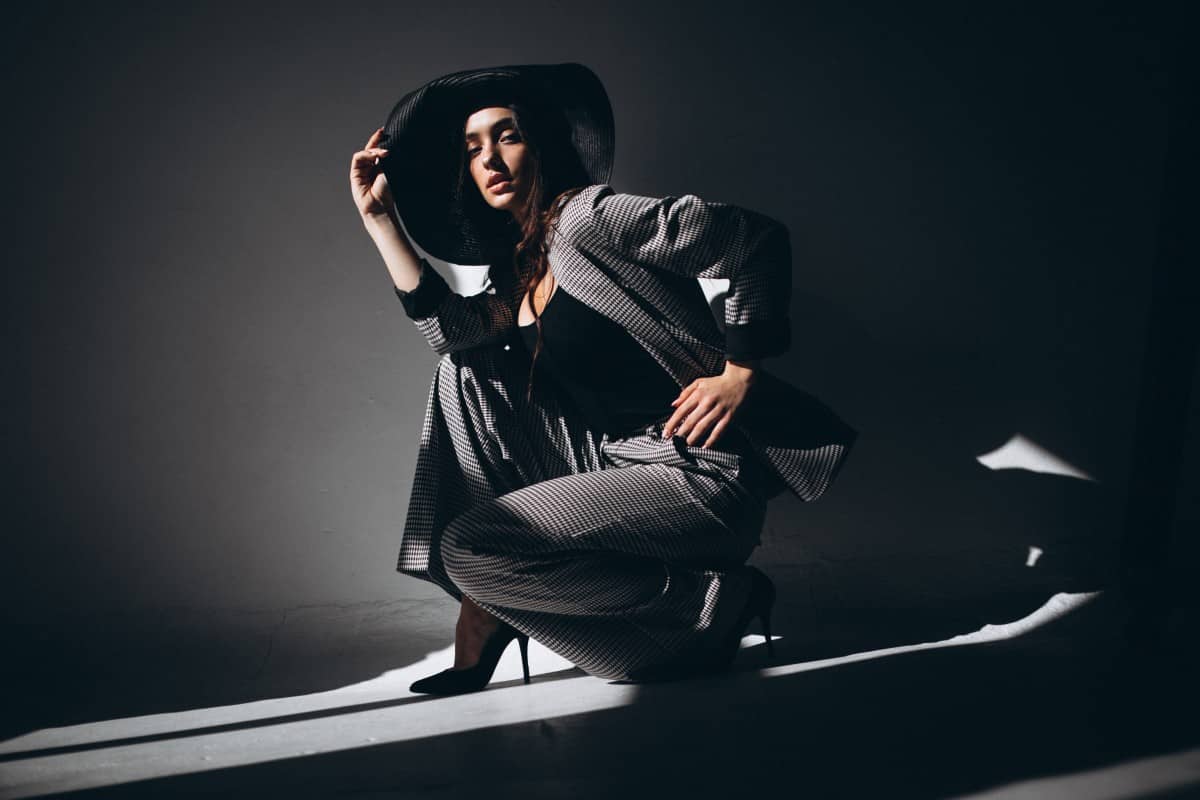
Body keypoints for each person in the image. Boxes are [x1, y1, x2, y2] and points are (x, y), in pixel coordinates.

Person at [349, 63, 857, 693]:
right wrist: (380, 221)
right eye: (473, 149)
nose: (490, 160)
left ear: (541, 146)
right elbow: (452, 332)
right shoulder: (518, 270)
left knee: (473, 549)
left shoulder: (588, 217)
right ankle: (496, 606)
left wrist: (740, 371)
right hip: (614, 467)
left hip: (698, 470)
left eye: (507, 136)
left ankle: (718, 600)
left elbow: (752, 239)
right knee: (465, 367)